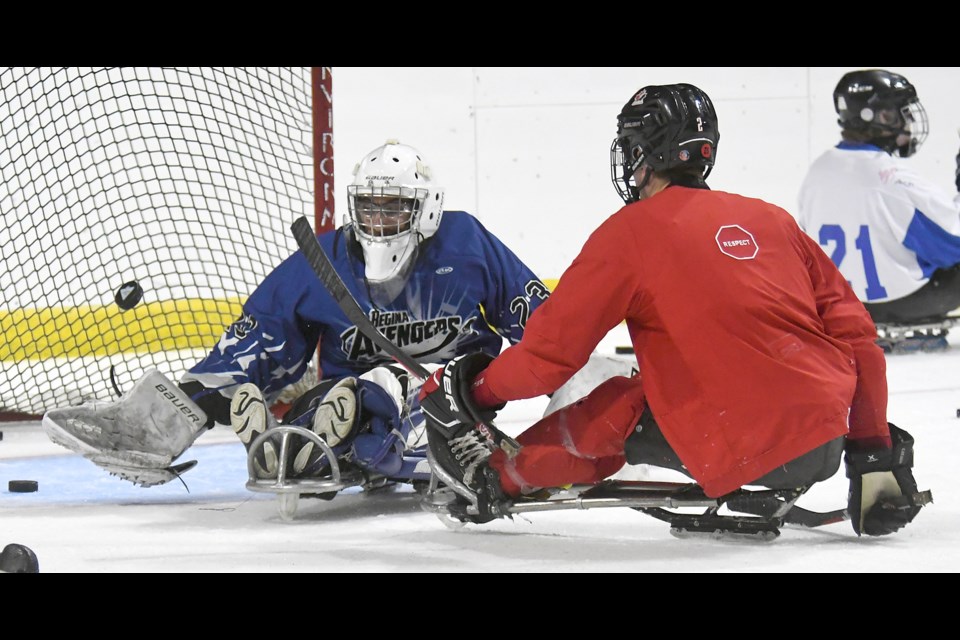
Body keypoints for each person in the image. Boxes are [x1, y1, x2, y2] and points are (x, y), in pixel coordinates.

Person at [419, 83, 930, 537]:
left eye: (629, 149)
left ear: (644, 153)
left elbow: (549, 358)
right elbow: (859, 341)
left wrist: (477, 391)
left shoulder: (630, 234)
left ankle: (497, 479)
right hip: (825, 442)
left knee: (614, 400)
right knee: (660, 384)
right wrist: (871, 449)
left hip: (741, 443)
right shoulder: (772, 220)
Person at [42, 140, 549, 495]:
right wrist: (180, 411)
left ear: (427, 210)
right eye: (368, 208)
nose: (378, 222)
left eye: (393, 208)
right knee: (342, 406)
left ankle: (320, 442)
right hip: (348, 400)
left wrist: (574, 389)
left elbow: (539, 321)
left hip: (458, 399)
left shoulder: (465, 245)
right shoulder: (324, 262)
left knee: (380, 393)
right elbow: (261, 338)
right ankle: (311, 441)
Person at [798, 69, 960, 352]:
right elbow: (952, 246)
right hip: (905, 302)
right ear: (875, 117)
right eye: (899, 114)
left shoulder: (817, 172)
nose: (907, 124)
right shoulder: (894, 179)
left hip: (846, 306)